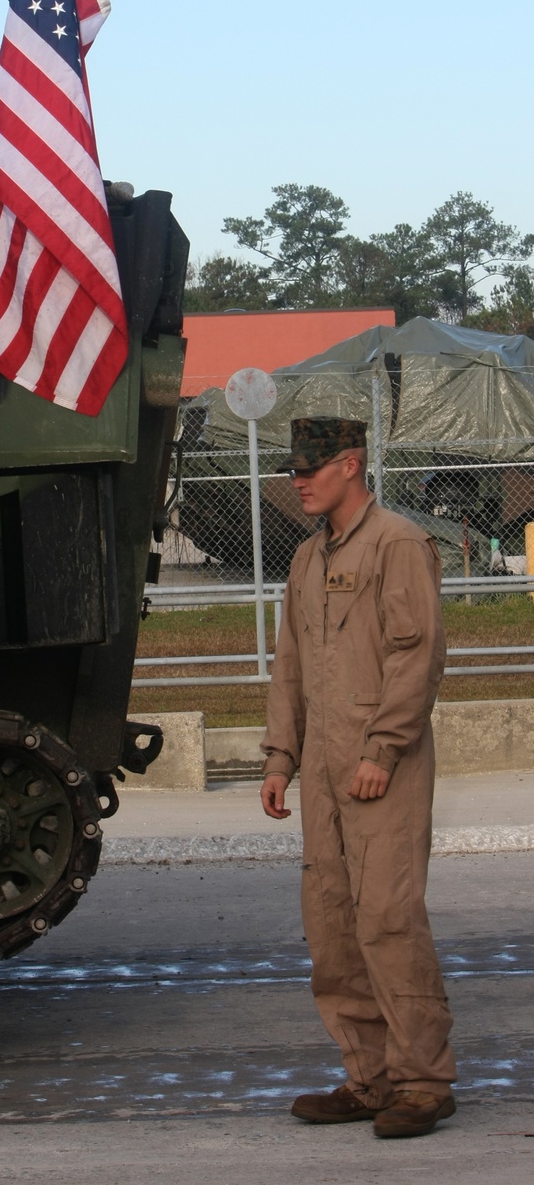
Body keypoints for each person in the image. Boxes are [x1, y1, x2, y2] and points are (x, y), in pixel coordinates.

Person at [260, 417, 456, 1140]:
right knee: (333, 925)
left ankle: (423, 1082)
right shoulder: (308, 560)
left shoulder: (397, 544)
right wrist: (281, 757)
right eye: (293, 470)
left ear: (351, 464)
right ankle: (368, 1077)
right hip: (322, 769)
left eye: (310, 469)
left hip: (383, 765)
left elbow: (418, 654)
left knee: (388, 920)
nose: (298, 480)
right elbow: (291, 669)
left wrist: (384, 747)